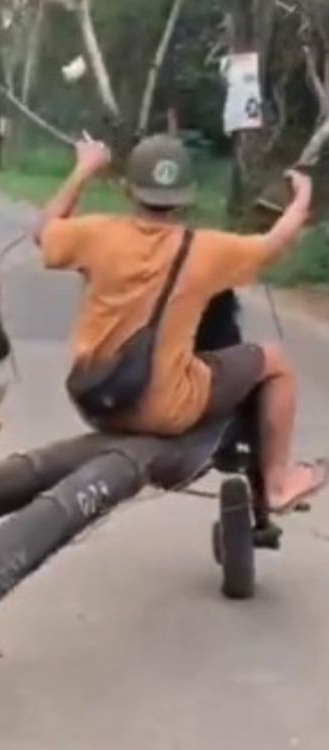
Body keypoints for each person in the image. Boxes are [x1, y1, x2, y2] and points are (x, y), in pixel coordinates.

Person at [35, 134, 325, 514]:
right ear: (187, 198)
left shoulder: (95, 234)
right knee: (276, 362)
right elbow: (276, 243)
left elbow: (44, 231)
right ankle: (278, 485)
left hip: (96, 399)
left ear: (127, 190)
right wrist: (302, 199)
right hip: (165, 409)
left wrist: (84, 168)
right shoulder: (207, 249)